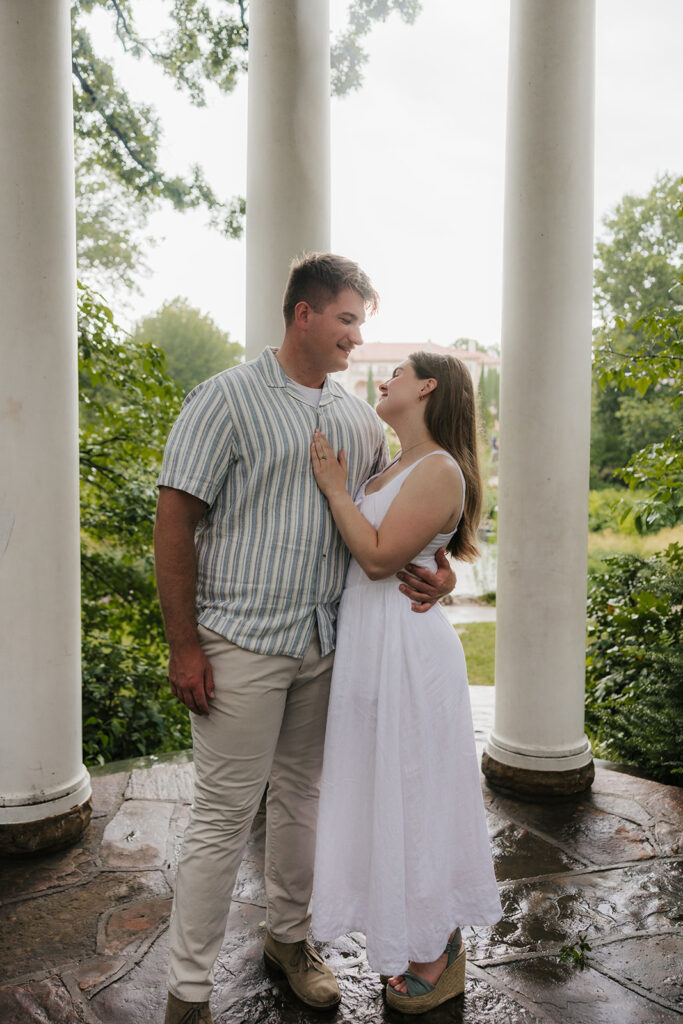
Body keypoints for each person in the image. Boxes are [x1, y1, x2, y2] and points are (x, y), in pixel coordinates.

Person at [153, 253, 456, 1024]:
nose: (357, 338)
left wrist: (443, 572)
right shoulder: (223, 399)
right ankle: (188, 991)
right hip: (239, 644)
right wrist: (184, 645)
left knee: (302, 804)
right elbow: (175, 522)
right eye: (348, 319)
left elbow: (408, 506)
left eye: (361, 322)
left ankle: (289, 942)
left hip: (328, 648)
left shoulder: (358, 421)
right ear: (304, 315)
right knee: (223, 817)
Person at [309, 351, 503, 1015]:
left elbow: (378, 558)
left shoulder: (439, 467)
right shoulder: (389, 464)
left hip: (407, 654)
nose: (383, 377)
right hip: (370, 648)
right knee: (382, 792)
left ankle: (436, 951)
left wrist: (335, 489)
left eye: (398, 371)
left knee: (417, 793)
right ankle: (414, 930)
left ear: (426, 387)